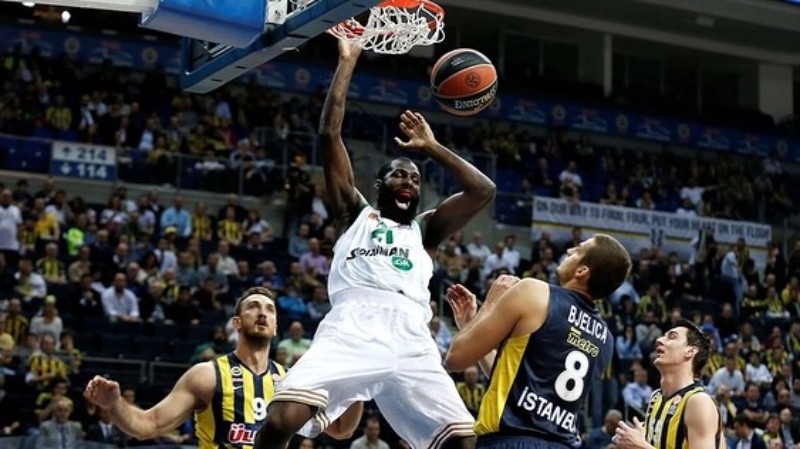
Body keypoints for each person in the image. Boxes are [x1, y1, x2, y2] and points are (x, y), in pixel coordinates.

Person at [255, 38, 496, 449]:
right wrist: (348, 61)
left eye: (415, 178)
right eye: (400, 175)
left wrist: (432, 147)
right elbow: (329, 134)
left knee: (463, 442)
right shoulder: (354, 214)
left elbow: (483, 190)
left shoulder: (425, 229)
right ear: (379, 186)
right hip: (354, 326)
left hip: (413, 335)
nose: (409, 181)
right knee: (281, 421)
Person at [84, 287, 361, 447]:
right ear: (236, 323)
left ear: (276, 327)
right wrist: (114, 404)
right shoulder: (207, 375)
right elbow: (148, 425)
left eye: (269, 309)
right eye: (253, 307)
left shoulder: (293, 380)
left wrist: (360, 381)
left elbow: (341, 429)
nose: (262, 312)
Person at [444, 233, 632, 449]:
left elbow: (455, 359)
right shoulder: (605, 339)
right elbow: (512, 381)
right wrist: (471, 325)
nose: (569, 251)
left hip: (510, 440)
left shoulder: (535, 292)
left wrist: (490, 303)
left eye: (578, 250)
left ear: (582, 271)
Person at [613, 319, 724, 449]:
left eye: (672, 337)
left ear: (690, 352)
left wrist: (641, 446)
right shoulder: (656, 397)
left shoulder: (699, 402)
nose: (659, 340)